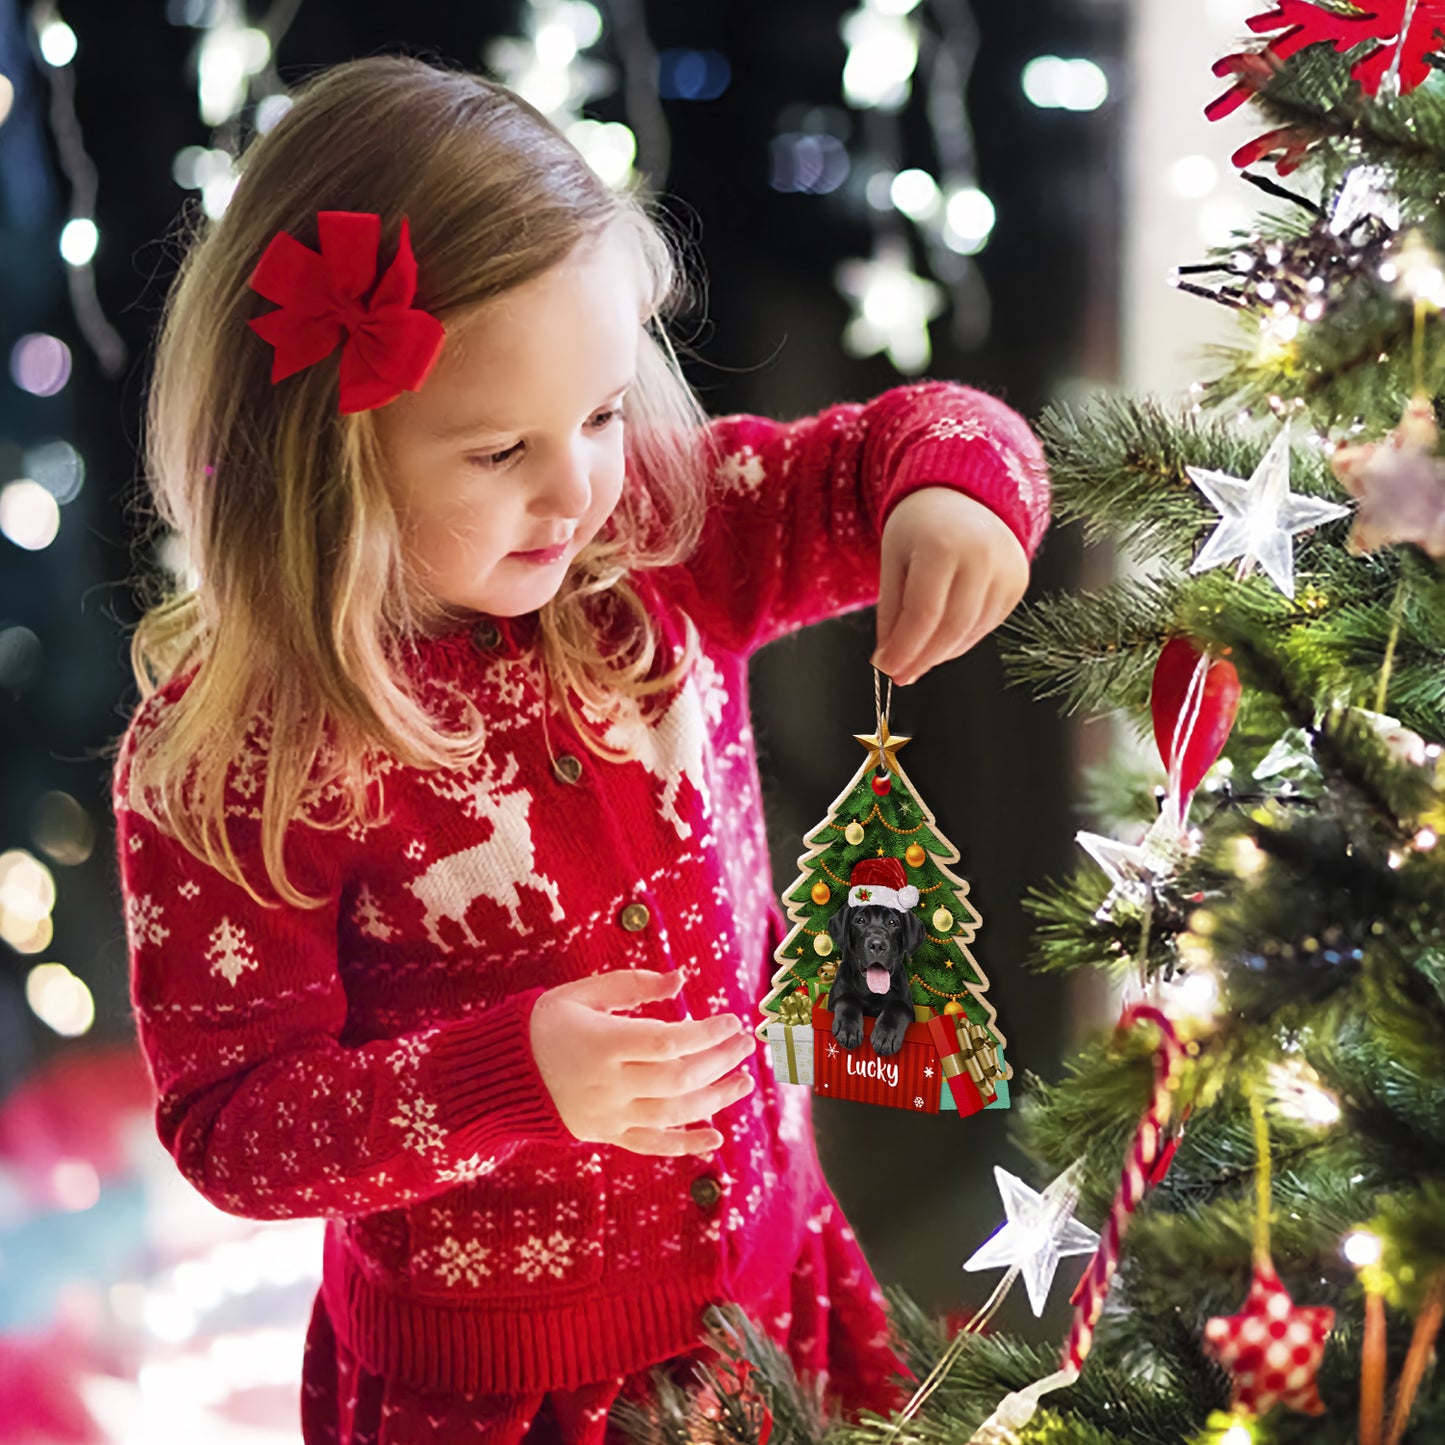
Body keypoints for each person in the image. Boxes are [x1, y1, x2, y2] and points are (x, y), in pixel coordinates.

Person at [112, 54, 1051, 1445]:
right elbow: (233, 1128)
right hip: (501, 1390)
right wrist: (510, 1076)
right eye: (499, 452)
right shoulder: (236, 752)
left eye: (604, 412)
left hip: (764, 1284)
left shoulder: (661, 542)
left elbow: (906, 443)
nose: (577, 488)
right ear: (320, 455)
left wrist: (957, 496)